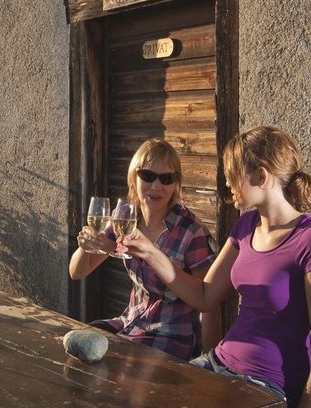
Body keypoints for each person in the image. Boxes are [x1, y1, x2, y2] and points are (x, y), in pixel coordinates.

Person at [119, 126, 311, 408]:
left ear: (261, 176)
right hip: (217, 364)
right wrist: (151, 253)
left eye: (232, 175)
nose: (227, 183)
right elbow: (205, 297)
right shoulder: (245, 227)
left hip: (267, 385)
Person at [69, 138, 220, 360]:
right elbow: (77, 272)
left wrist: (210, 364)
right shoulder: (126, 218)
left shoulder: (191, 231)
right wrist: (86, 247)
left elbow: (210, 304)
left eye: (166, 178)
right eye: (148, 176)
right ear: (134, 177)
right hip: (131, 323)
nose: (156, 186)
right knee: (76, 345)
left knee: (114, 367)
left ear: (176, 184)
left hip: (172, 336)